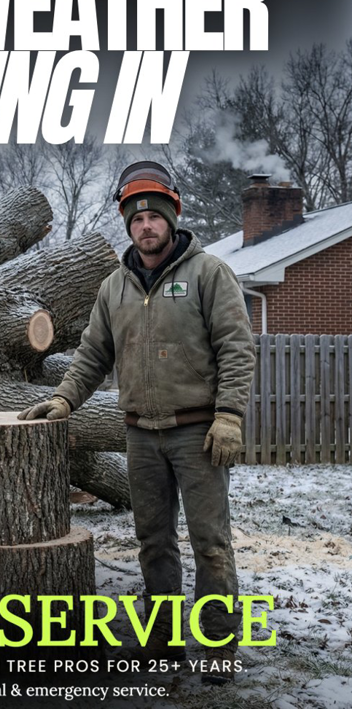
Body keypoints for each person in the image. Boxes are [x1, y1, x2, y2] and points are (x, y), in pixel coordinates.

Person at [18, 161, 256, 685]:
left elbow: (237, 349)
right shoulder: (114, 288)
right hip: (141, 436)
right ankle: (164, 644)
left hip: (198, 434)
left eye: (154, 216)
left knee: (210, 542)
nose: (146, 225)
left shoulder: (209, 274)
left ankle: (218, 648)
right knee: (153, 541)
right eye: (136, 218)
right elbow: (91, 356)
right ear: (127, 225)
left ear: (172, 217)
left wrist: (230, 415)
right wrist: (63, 401)